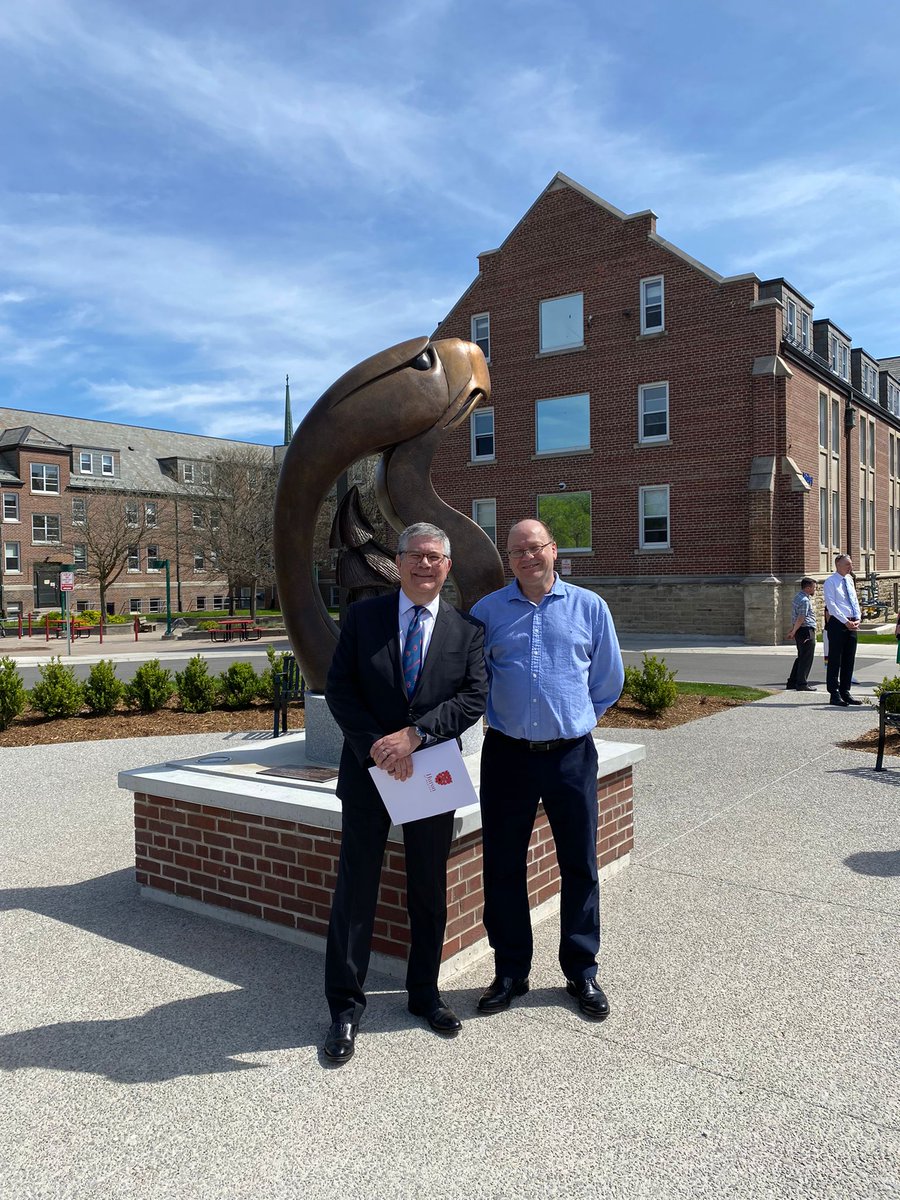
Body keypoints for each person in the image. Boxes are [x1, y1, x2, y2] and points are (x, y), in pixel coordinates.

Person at [322, 522, 488, 1064]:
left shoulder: (467, 632)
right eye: (415, 555)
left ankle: (424, 994)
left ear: (447, 566)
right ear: (398, 561)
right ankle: (344, 1006)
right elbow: (341, 689)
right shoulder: (364, 617)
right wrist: (377, 746)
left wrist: (414, 737)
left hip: (430, 771)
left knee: (427, 889)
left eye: (434, 557)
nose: (424, 565)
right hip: (370, 772)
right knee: (356, 888)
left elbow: (472, 698)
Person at [470, 519, 624, 1021]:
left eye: (534, 548)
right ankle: (511, 970)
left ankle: (581, 970)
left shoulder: (589, 607)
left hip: (570, 757)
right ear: (508, 558)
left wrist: (575, 722)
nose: (526, 557)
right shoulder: (486, 613)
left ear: (553, 551)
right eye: (516, 551)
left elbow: (607, 682)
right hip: (507, 755)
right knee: (503, 864)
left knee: (579, 863)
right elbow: (473, 684)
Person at [822, 554, 862, 706]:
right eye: (847, 564)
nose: (850, 567)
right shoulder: (830, 582)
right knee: (835, 659)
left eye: (850, 564)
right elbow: (831, 605)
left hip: (852, 623)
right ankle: (834, 693)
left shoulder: (849, 580)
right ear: (838, 564)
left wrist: (858, 618)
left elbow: (854, 601)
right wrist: (845, 621)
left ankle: (845, 691)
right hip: (838, 624)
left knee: (848, 659)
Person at [785, 578, 818, 691]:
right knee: (806, 658)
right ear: (808, 588)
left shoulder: (797, 597)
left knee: (801, 656)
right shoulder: (804, 600)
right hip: (806, 631)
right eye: (814, 587)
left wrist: (793, 629)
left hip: (800, 630)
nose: (815, 589)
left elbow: (796, 616)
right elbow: (801, 617)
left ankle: (792, 682)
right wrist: (793, 631)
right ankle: (802, 683)